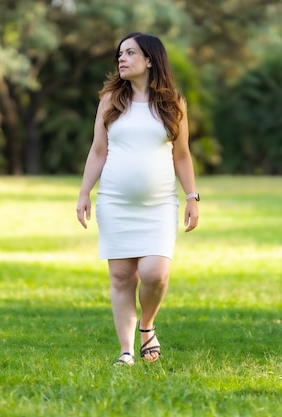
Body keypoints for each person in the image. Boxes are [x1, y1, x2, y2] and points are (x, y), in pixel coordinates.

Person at [76, 32, 199, 365]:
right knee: (121, 277)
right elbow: (98, 151)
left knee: (155, 273)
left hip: (159, 204)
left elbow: (183, 155)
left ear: (150, 60)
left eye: (130, 52)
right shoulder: (111, 101)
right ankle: (127, 351)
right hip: (115, 203)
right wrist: (85, 192)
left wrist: (192, 196)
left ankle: (147, 326)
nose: (121, 58)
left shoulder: (174, 104)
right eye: (120, 53)